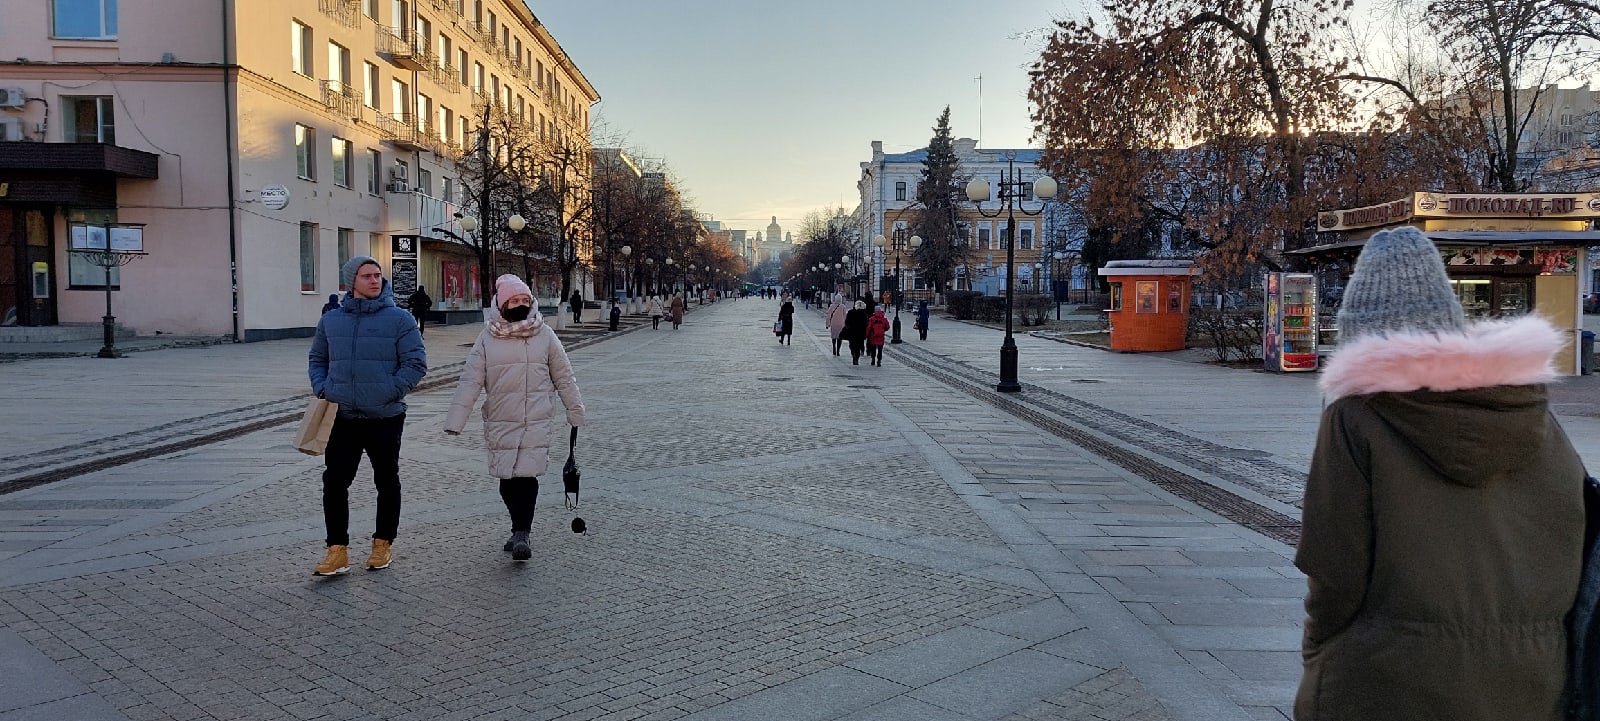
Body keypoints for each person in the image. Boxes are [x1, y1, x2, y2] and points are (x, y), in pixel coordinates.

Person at [1293, 226, 1584, 721]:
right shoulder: (1533, 415)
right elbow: (1570, 538)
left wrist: (1319, 650)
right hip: (1531, 684)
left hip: (1388, 682)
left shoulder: (1355, 419)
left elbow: (1334, 568)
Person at [442, 275, 584, 562]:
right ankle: (517, 528)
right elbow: (471, 380)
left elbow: (564, 376)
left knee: (527, 476)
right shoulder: (487, 338)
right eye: (514, 300)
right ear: (502, 304)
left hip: (536, 418)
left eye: (524, 300)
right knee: (507, 479)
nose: (520, 305)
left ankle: (522, 533)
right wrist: (455, 421)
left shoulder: (545, 334)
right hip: (501, 418)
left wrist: (575, 410)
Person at [308, 257, 428, 576]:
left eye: (378, 275)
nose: (375, 281)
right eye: (367, 276)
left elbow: (416, 363)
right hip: (341, 415)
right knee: (335, 482)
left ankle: (382, 543)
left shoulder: (400, 319)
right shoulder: (331, 321)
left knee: (386, 481)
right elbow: (317, 358)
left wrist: (390, 391)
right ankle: (337, 550)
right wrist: (323, 388)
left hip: (384, 416)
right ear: (351, 282)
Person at [842, 300, 870, 365]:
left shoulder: (850, 312)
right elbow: (866, 324)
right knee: (858, 346)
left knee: (852, 345)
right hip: (860, 333)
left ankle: (853, 355)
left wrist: (848, 327)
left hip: (852, 332)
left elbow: (847, 322)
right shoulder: (864, 314)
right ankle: (856, 358)